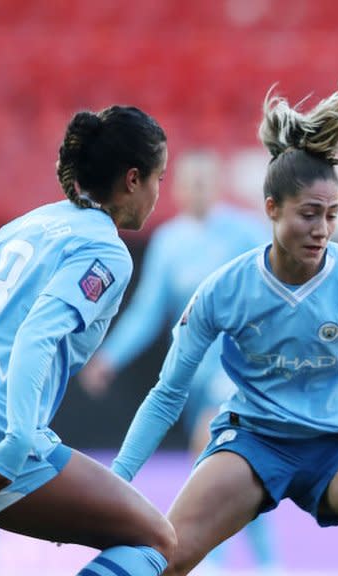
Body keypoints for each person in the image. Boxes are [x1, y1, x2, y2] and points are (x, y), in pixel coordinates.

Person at [110, 81, 338, 575]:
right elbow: (168, 394)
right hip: (256, 443)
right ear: (272, 209)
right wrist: (120, 479)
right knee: (165, 556)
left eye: (331, 215)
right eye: (308, 214)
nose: (321, 228)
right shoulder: (224, 288)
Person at [0, 105, 176, 576]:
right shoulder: (106, 250)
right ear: (132, 179)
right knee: (157, 541)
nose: (159, 192)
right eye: (159, 178)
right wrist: (18, 437)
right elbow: (37, 334)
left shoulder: (25, 225)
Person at [78, 150, 278, 572]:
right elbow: (148, 311)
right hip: (192, 371)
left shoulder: (246, 234)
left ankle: (216, 560)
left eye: (205, 182)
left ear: (218, 185)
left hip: (240, 366)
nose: (197, 191)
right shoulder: (170, 242)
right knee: (238, 470)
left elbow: (274, 289)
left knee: (213, 445)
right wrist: (109, 358)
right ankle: (262, 561)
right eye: (189, 183)